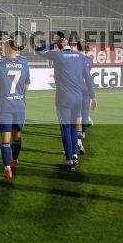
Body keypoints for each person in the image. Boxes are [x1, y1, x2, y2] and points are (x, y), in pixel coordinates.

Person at [36, 31, 94, 170]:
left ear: (61, 42)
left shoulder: (57, 54)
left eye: (58, 41)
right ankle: (74, 154)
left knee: (66, 129)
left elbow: (39, 51)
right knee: (74, 128)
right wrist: (93, 96)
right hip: (78, 98)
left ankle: (69, 160)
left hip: (64, 99)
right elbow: (88, 78)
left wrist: (53, 44)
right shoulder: (80, 57)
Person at [0, 38, 30, 179]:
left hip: (5, 106)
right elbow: (26, 88)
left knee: (5, 139)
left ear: (7, 49)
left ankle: (7, 169)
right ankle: (14, 160)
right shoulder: (24, 65)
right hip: (19, 105)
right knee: (17, 136)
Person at [75, 38, 97, 154]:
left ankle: (76, 139)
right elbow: (87, 75)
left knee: (76, 113)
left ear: (76, 47)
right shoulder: (89, 60)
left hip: (75, 87)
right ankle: (82, 132)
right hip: (86, 87)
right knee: (85, 111)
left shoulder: (74, 58)